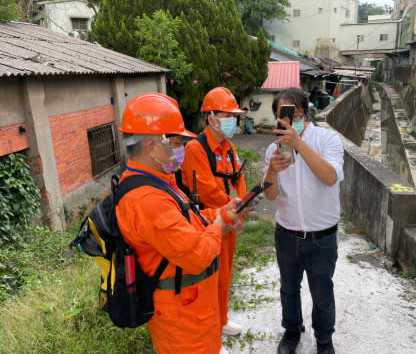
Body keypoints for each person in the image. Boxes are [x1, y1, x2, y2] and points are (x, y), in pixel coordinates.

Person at [116, 92, 247, 354]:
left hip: (194, 307)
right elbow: (198, 255)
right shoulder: (147, 199)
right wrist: (219, 225)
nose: (181, 149)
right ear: (152, 148)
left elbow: (189, 221)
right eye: (175, 142)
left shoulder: (161, 181)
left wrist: (221, 213)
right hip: (182, 317)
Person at [263, 87, 344, 354]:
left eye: (293, 115)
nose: (288, 121)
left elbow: (330, 177)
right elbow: (271, 195)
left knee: (322, 292)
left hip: (322, 236)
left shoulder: (328, 140)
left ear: (305, 114)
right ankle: (292, 331)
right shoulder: (272, 150)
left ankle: (324, 339)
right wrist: (272, 171)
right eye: (281, 115)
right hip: (287, 234)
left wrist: (299, 144)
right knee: (288, 288)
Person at [181, 87, 247, 345]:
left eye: (234, 116)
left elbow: (238, 177)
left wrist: (241, 205)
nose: (232, 120)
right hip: (208, 223)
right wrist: (237, 208)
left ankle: (221, 321)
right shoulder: (196, 149)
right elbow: (207, 192)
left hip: (228, 223)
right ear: (211, 118)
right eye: (226, 115)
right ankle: (211, 337)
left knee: (224, 275)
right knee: (207, 282)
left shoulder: (228, 147)